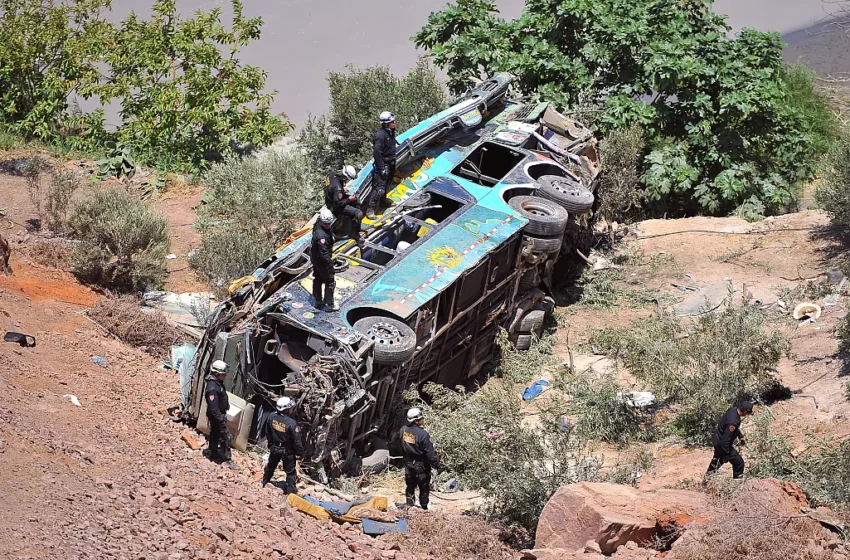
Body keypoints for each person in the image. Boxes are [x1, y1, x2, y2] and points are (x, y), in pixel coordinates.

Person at [262, 397, 305, 494]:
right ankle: (291, 493)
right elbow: (297, 441)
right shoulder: (292, 423)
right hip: (287, 451)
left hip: (275, 447)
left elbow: (267, 431)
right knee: (290, 472)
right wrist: (299, 453)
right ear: (287, 408)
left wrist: (271, 444)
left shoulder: (271, 416)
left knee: (270, 466)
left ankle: (264, 483)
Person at [400, 407, 439, 510]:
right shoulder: (423, 435)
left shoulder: (403, 430)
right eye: (422, 418)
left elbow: (400, 446)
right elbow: (429, 454)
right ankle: (424, 508)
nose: (423, 419)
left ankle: (409, 506)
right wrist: (437, 465)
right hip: (421, 466)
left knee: (410, 486)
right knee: (424, 487)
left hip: (408, 464)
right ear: (417, 420)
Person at [706, 401, 754, 479]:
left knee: (717, 461)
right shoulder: (732, 422)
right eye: (748, 413)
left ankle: (706, 480)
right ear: (745, 411)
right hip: (722, 444)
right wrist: (726, 455)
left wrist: (740, 436)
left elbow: (732, 429)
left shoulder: (733, 410)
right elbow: (725, 440)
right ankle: (736, 483)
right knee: (739, 463)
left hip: (717, 440)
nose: (747, 415)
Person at [367, 111, 399, 219]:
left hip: (391, 162)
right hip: (384, 164)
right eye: (392, 122)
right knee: (379, 188)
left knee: (387, 183)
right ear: (386, 123)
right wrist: (381, 168)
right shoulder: (380, 136)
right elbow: (377, 153)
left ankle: (383, 202)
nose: (395, 123)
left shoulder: (390, 132)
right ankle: (370, 210)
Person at [325, 164, 365, 248]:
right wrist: (348, 199)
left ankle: (353, 221)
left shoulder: (332, 175)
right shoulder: (338, 189)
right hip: (334, 206)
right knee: (358, 213)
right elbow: (338, 204)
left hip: (330, 199)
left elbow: (331, 189)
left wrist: (343, 191)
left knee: (356, 200)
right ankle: (354, 233)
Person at [204, 360, 234, 465]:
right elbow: (213, 407)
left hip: (218, 415)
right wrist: (220, 419)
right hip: (217, 416)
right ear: (217, 374)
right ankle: (227, 459)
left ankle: (213, 451)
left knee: (215, 434)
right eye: (223, 374)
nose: (224, 376)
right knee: (226, 436)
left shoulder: (217, 383)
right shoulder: (212, 387)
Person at [310, 207, 337, 311]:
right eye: (326, 224)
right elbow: (324, 253)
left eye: (329, 223)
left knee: (317, 278)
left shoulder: (318, 224)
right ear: (321, 221)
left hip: (315, 258)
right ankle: (330, 305)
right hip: (321, 260)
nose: (328, 225)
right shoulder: (321, 237)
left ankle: (318, 300)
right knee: (330, 281)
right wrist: (330, 265)